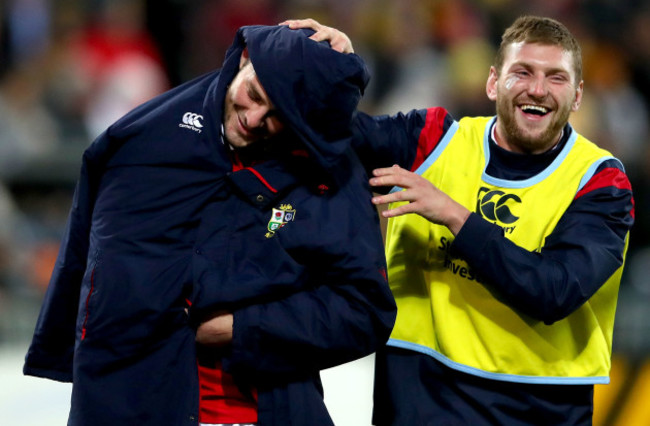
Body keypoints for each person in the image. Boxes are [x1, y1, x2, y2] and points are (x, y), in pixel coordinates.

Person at [23, 25, 397, 426]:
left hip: (266, 410)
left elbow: (364, 311)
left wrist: (240, 328)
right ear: (244, 58)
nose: (254, 119)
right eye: (253, 95)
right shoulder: (143, 143)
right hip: (134, 405)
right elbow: (100, 284)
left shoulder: (323, 174)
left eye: (277, 115)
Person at [284, 16, 635, 425]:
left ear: (577, 97)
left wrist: (453, 214)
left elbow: (553, 290)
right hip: (418, 397)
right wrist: (335, 68)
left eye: (555, 78)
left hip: (535, 410)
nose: (537, 89)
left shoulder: (600, 180)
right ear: (492, 83)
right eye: (522, 72)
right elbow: (324, 137)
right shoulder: (431, 140)